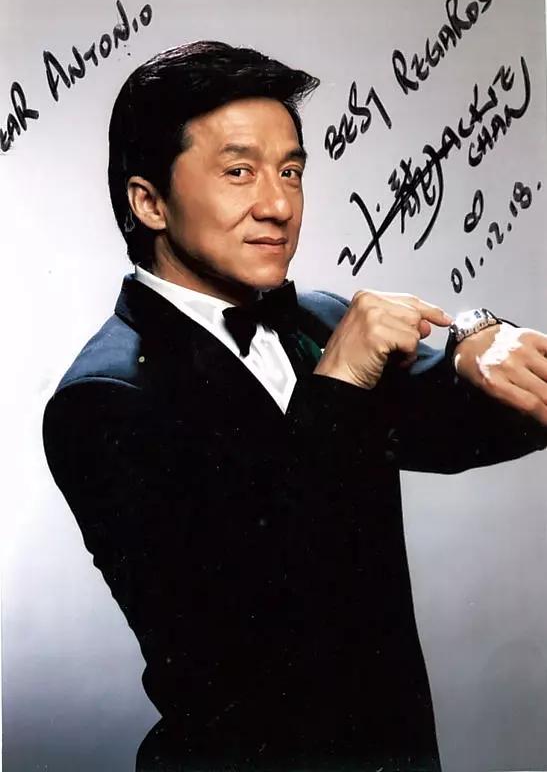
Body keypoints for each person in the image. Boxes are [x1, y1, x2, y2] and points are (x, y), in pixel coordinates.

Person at [43, 41, 547, 772]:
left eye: (291, 171)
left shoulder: (317, 317)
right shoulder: (103, 400)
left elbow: (487, 416)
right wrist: (337, 385)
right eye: (239, 171)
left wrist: (478, 334)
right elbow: (243, 640)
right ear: (148, 201)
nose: (279, 206)